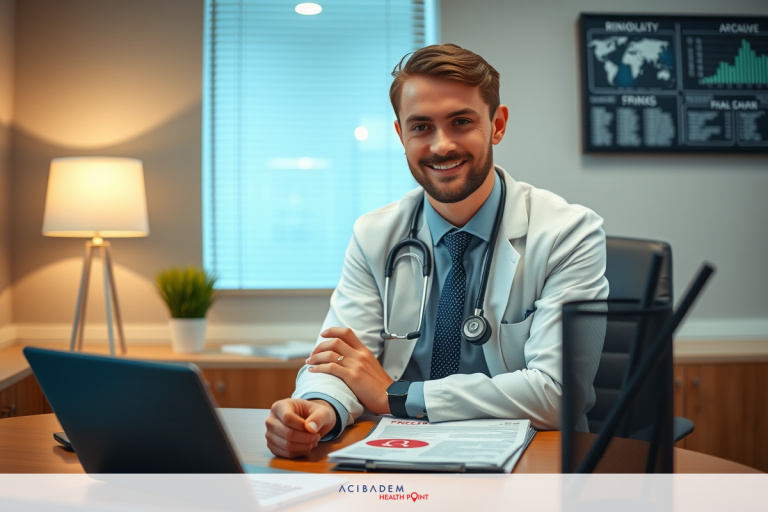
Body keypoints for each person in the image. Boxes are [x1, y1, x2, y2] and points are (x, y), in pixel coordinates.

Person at [264, 44, 609, 459]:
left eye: (461, 122)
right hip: (399, 453)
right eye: (421, 127)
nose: (441, 146)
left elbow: (557, 394)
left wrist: (398, 395)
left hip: (533, 459)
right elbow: (341, 360)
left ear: (497, 125)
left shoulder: (568, 233)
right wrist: (321, 408)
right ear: (401, 135)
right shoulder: (374, 235)